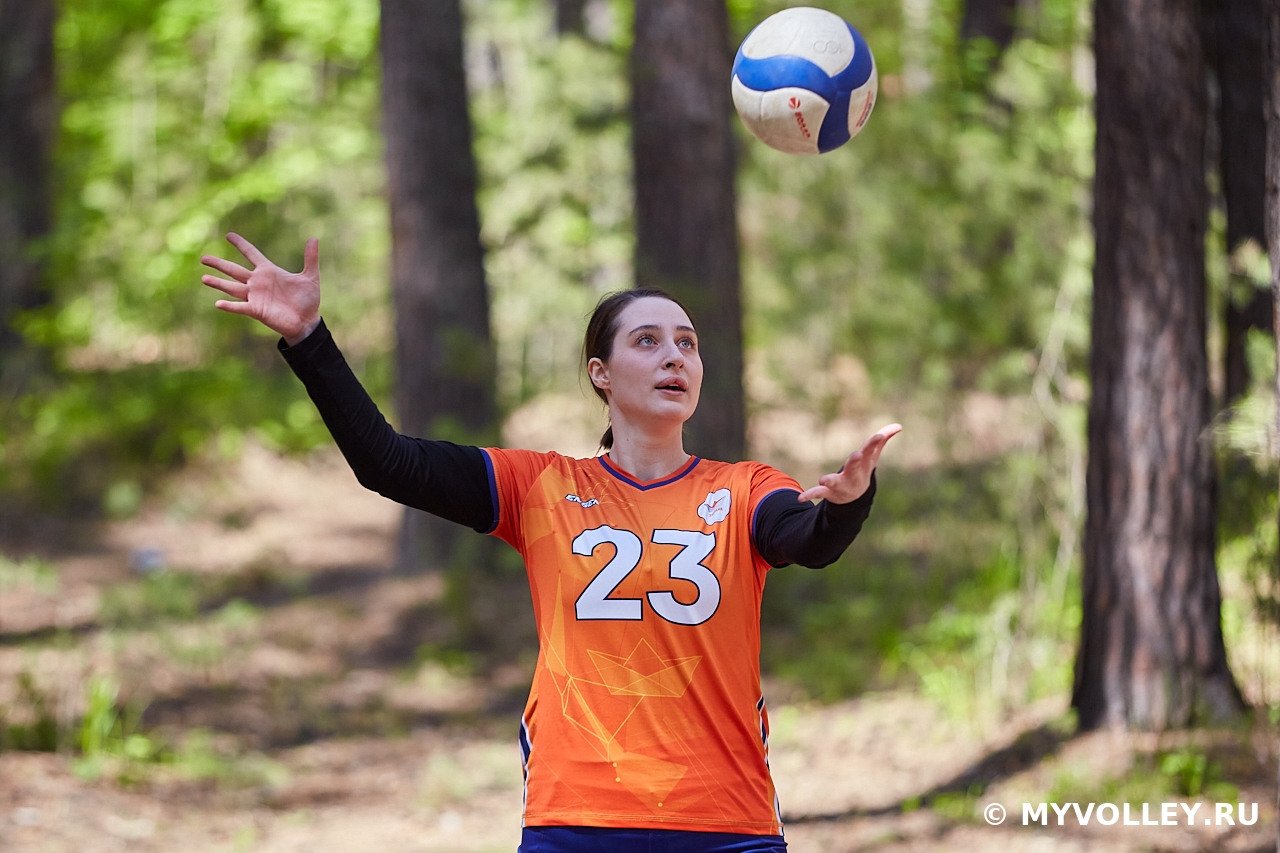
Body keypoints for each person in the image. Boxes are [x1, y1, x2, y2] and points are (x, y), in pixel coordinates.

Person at [201, 234, 900, 853]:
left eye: (687, 342)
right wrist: (309, 339)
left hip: (725, 819)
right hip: (577, 816)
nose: (675, 356)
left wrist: (846, 505)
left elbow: (806, 537)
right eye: (647, 341)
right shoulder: (541, 487)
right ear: (601, 373)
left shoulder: (744, 487)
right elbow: (387, 463)